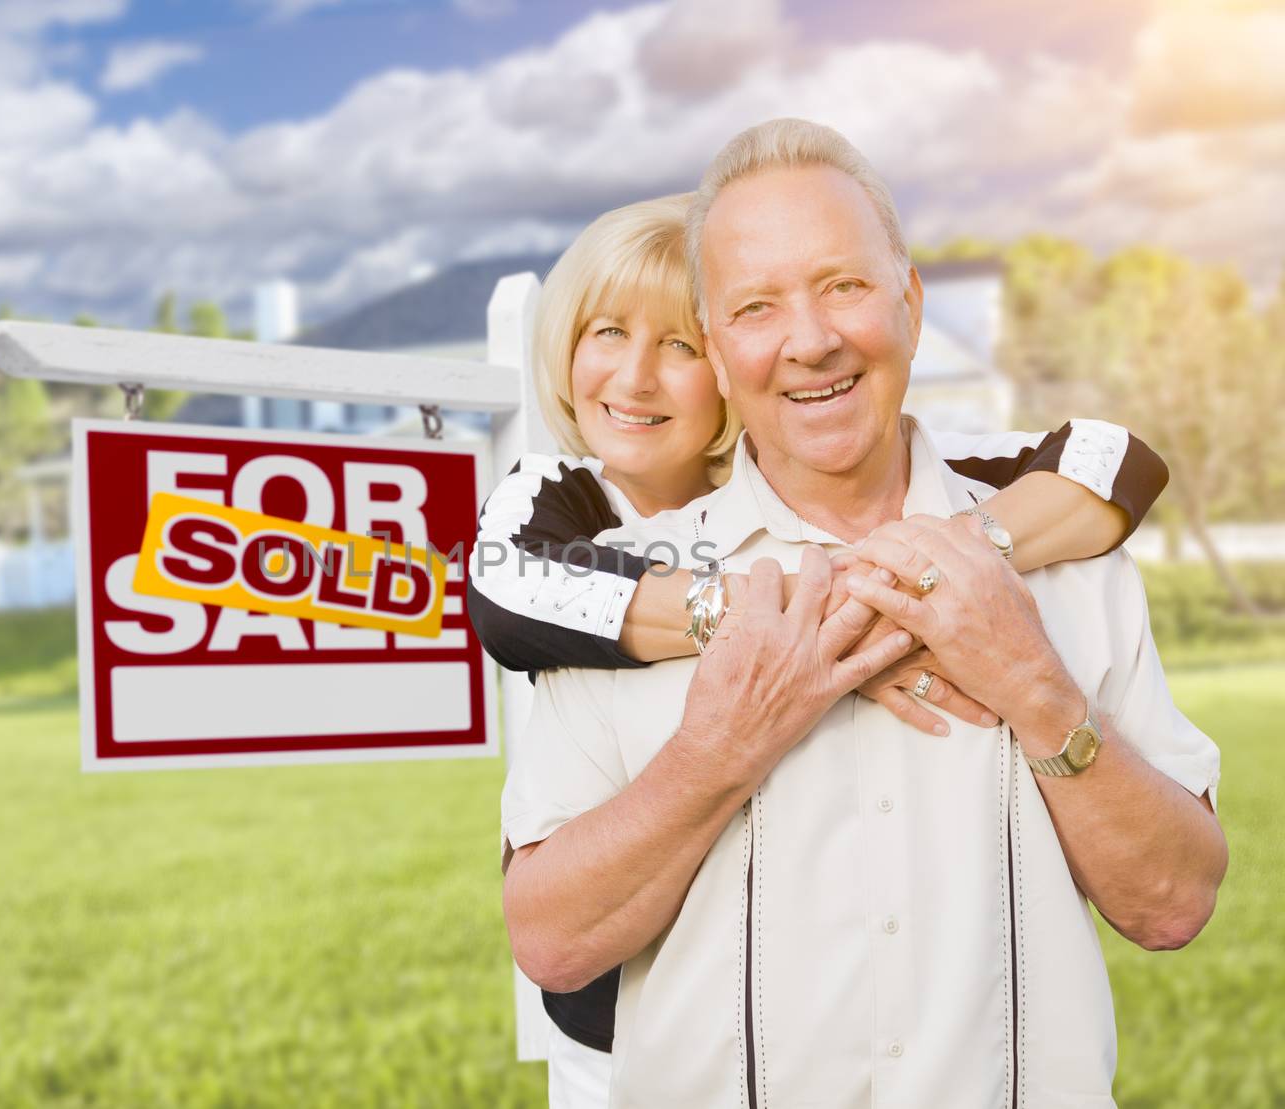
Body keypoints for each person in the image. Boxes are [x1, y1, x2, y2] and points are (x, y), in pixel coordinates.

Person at [498, 119, 1224, 1107]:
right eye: (757, 306)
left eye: (843, 285)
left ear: (910, 303)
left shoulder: (1071, 566)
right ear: (717, 349)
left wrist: (1031, 682)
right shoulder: (619, 597)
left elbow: (1174, 902)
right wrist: (722, 742)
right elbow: (549, 937)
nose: (811, 340)